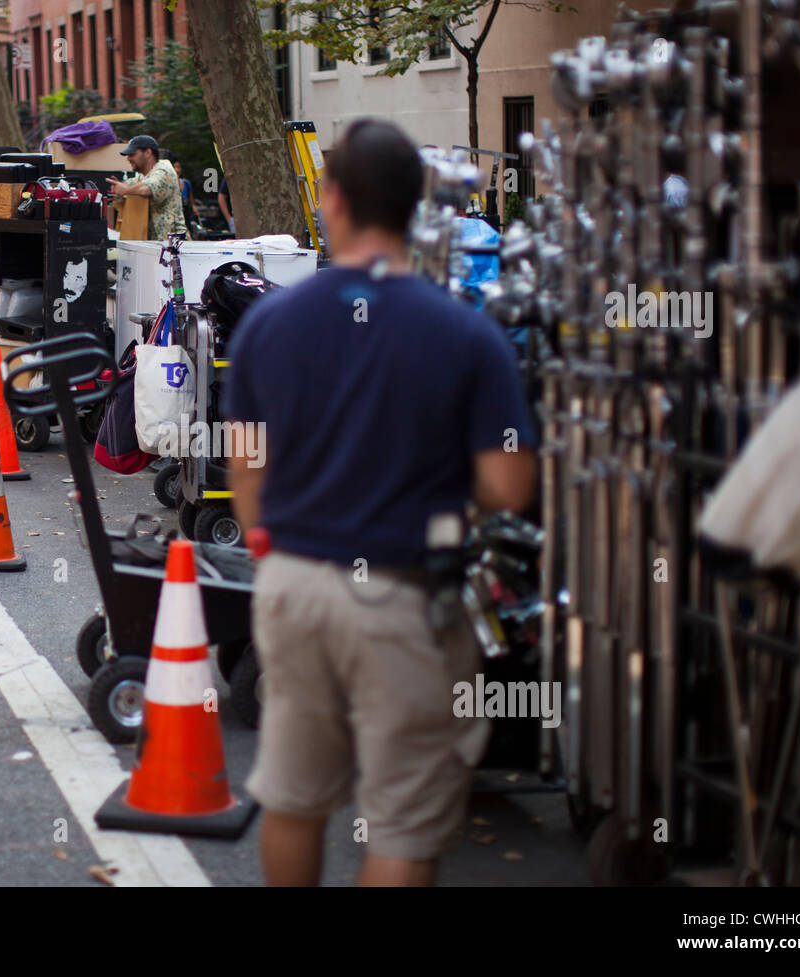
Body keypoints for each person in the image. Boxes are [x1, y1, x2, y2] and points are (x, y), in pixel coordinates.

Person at [223, 118, 537, 886]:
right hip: (409, 598)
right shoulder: (467, 335)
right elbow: (507, 487)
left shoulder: (268, 322)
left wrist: (267, 539)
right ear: (419, 210)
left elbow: (247, 461)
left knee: (294, 798)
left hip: (295, 586)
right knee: (402, 820)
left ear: (331, 200)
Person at [106, 134, 186, 240]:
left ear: (148, 153)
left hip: (173, 246)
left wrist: (124, 190)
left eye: (132, 154)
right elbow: (132, 184)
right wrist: (119, 186)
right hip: (156, 245)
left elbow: (146, 189)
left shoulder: (164, 170)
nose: (128, 158)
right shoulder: (144, 176)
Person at [163, 149, 200, 238]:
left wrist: (195, 211)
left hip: (186, 217)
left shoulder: (186, 183)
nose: (177, 170)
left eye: (179, 167)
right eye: (175, 167)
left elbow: (192, 202)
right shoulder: (167, 183)